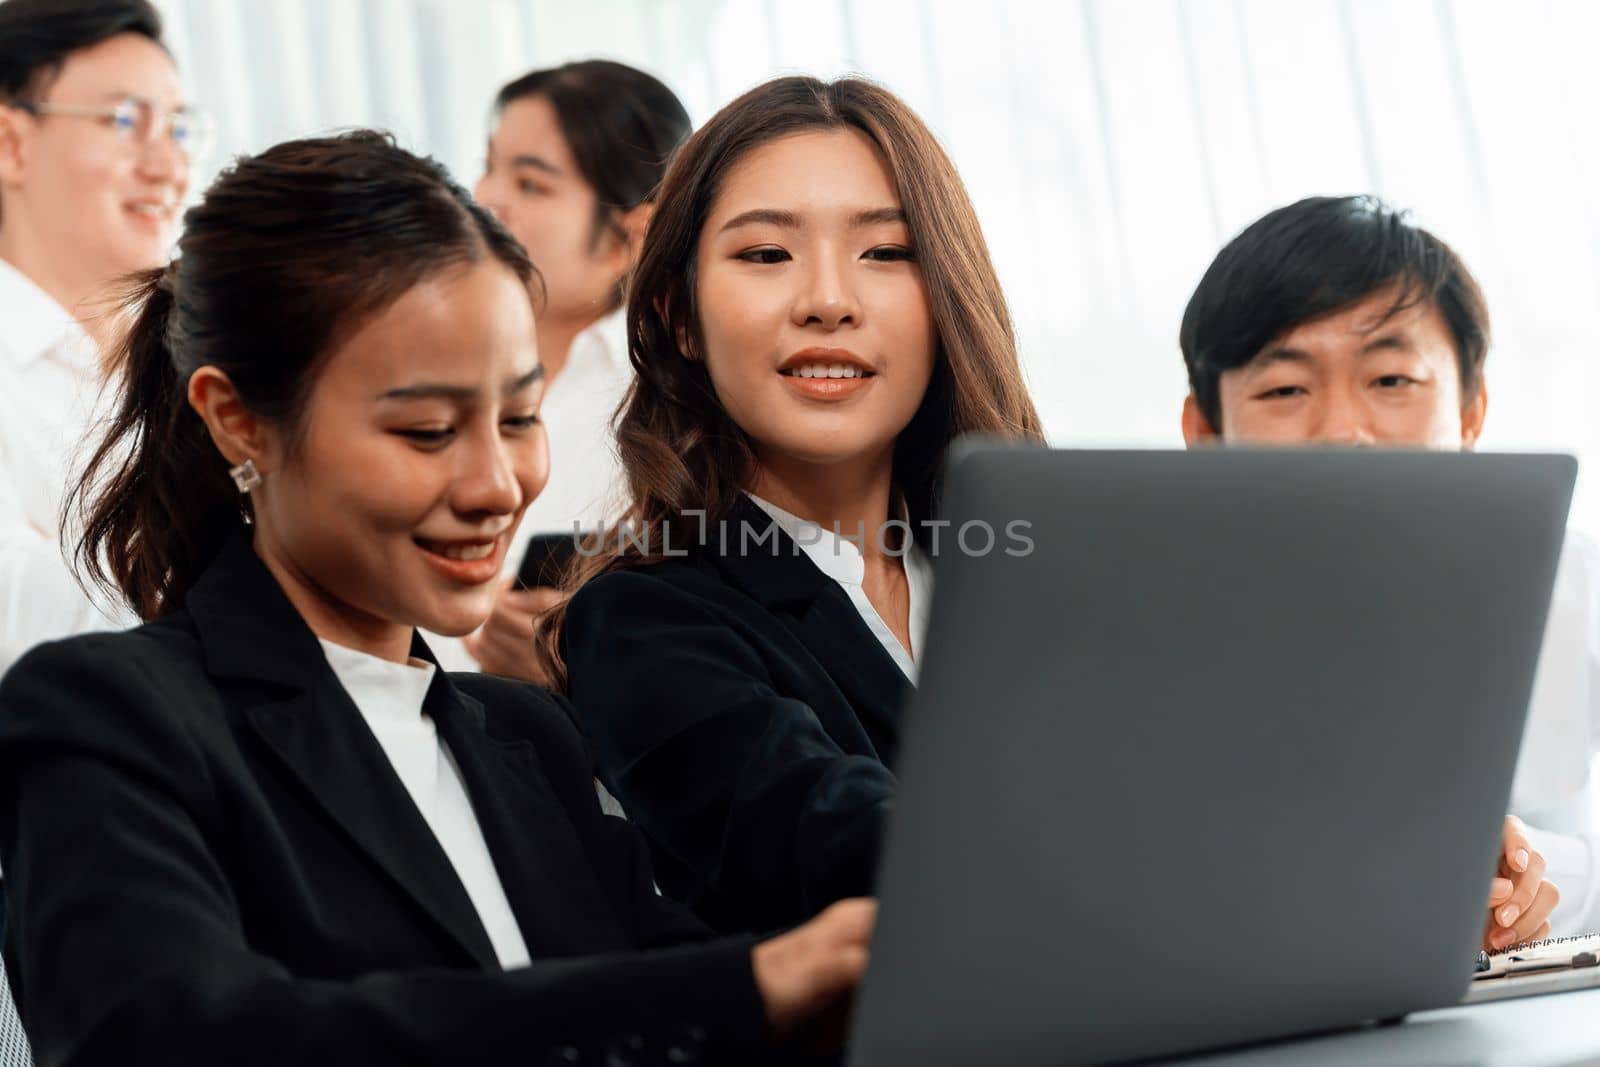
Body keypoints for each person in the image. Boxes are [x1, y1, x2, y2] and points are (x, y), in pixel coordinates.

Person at [0, 130, 873, 1065]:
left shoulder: (525, 736)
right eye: (425, 430)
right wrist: (745, 985)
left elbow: (681, 1007)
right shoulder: (110, 715)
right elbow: (179, 1040)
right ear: (238, 419)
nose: (496, 484)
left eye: (519, 418)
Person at [544, 75, 1045, 934]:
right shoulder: (640, 624)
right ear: (678, 316)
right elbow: (840, 845)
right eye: (766, 255)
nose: (828, 300)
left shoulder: (1033, 568)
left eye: (886, 252)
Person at [1178, 194, 1584, 945]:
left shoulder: (1571, 590)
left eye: (1391, 380)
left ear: (1469, 412)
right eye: (1284, 389)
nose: (1342, 430)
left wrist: (1527, 876)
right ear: (1205, 432)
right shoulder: (1145, 627)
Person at [461, 61, 691, 682]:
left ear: (631, 237)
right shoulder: (439, 363)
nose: (485, 198)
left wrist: (584, 661)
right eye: (488, 165)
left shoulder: (675, 406)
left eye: (532, 184)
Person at [0, 0, 206, 674]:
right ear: (10, 143)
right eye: (125, 121)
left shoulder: (196, 363)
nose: (167, 165)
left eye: (177, 127)